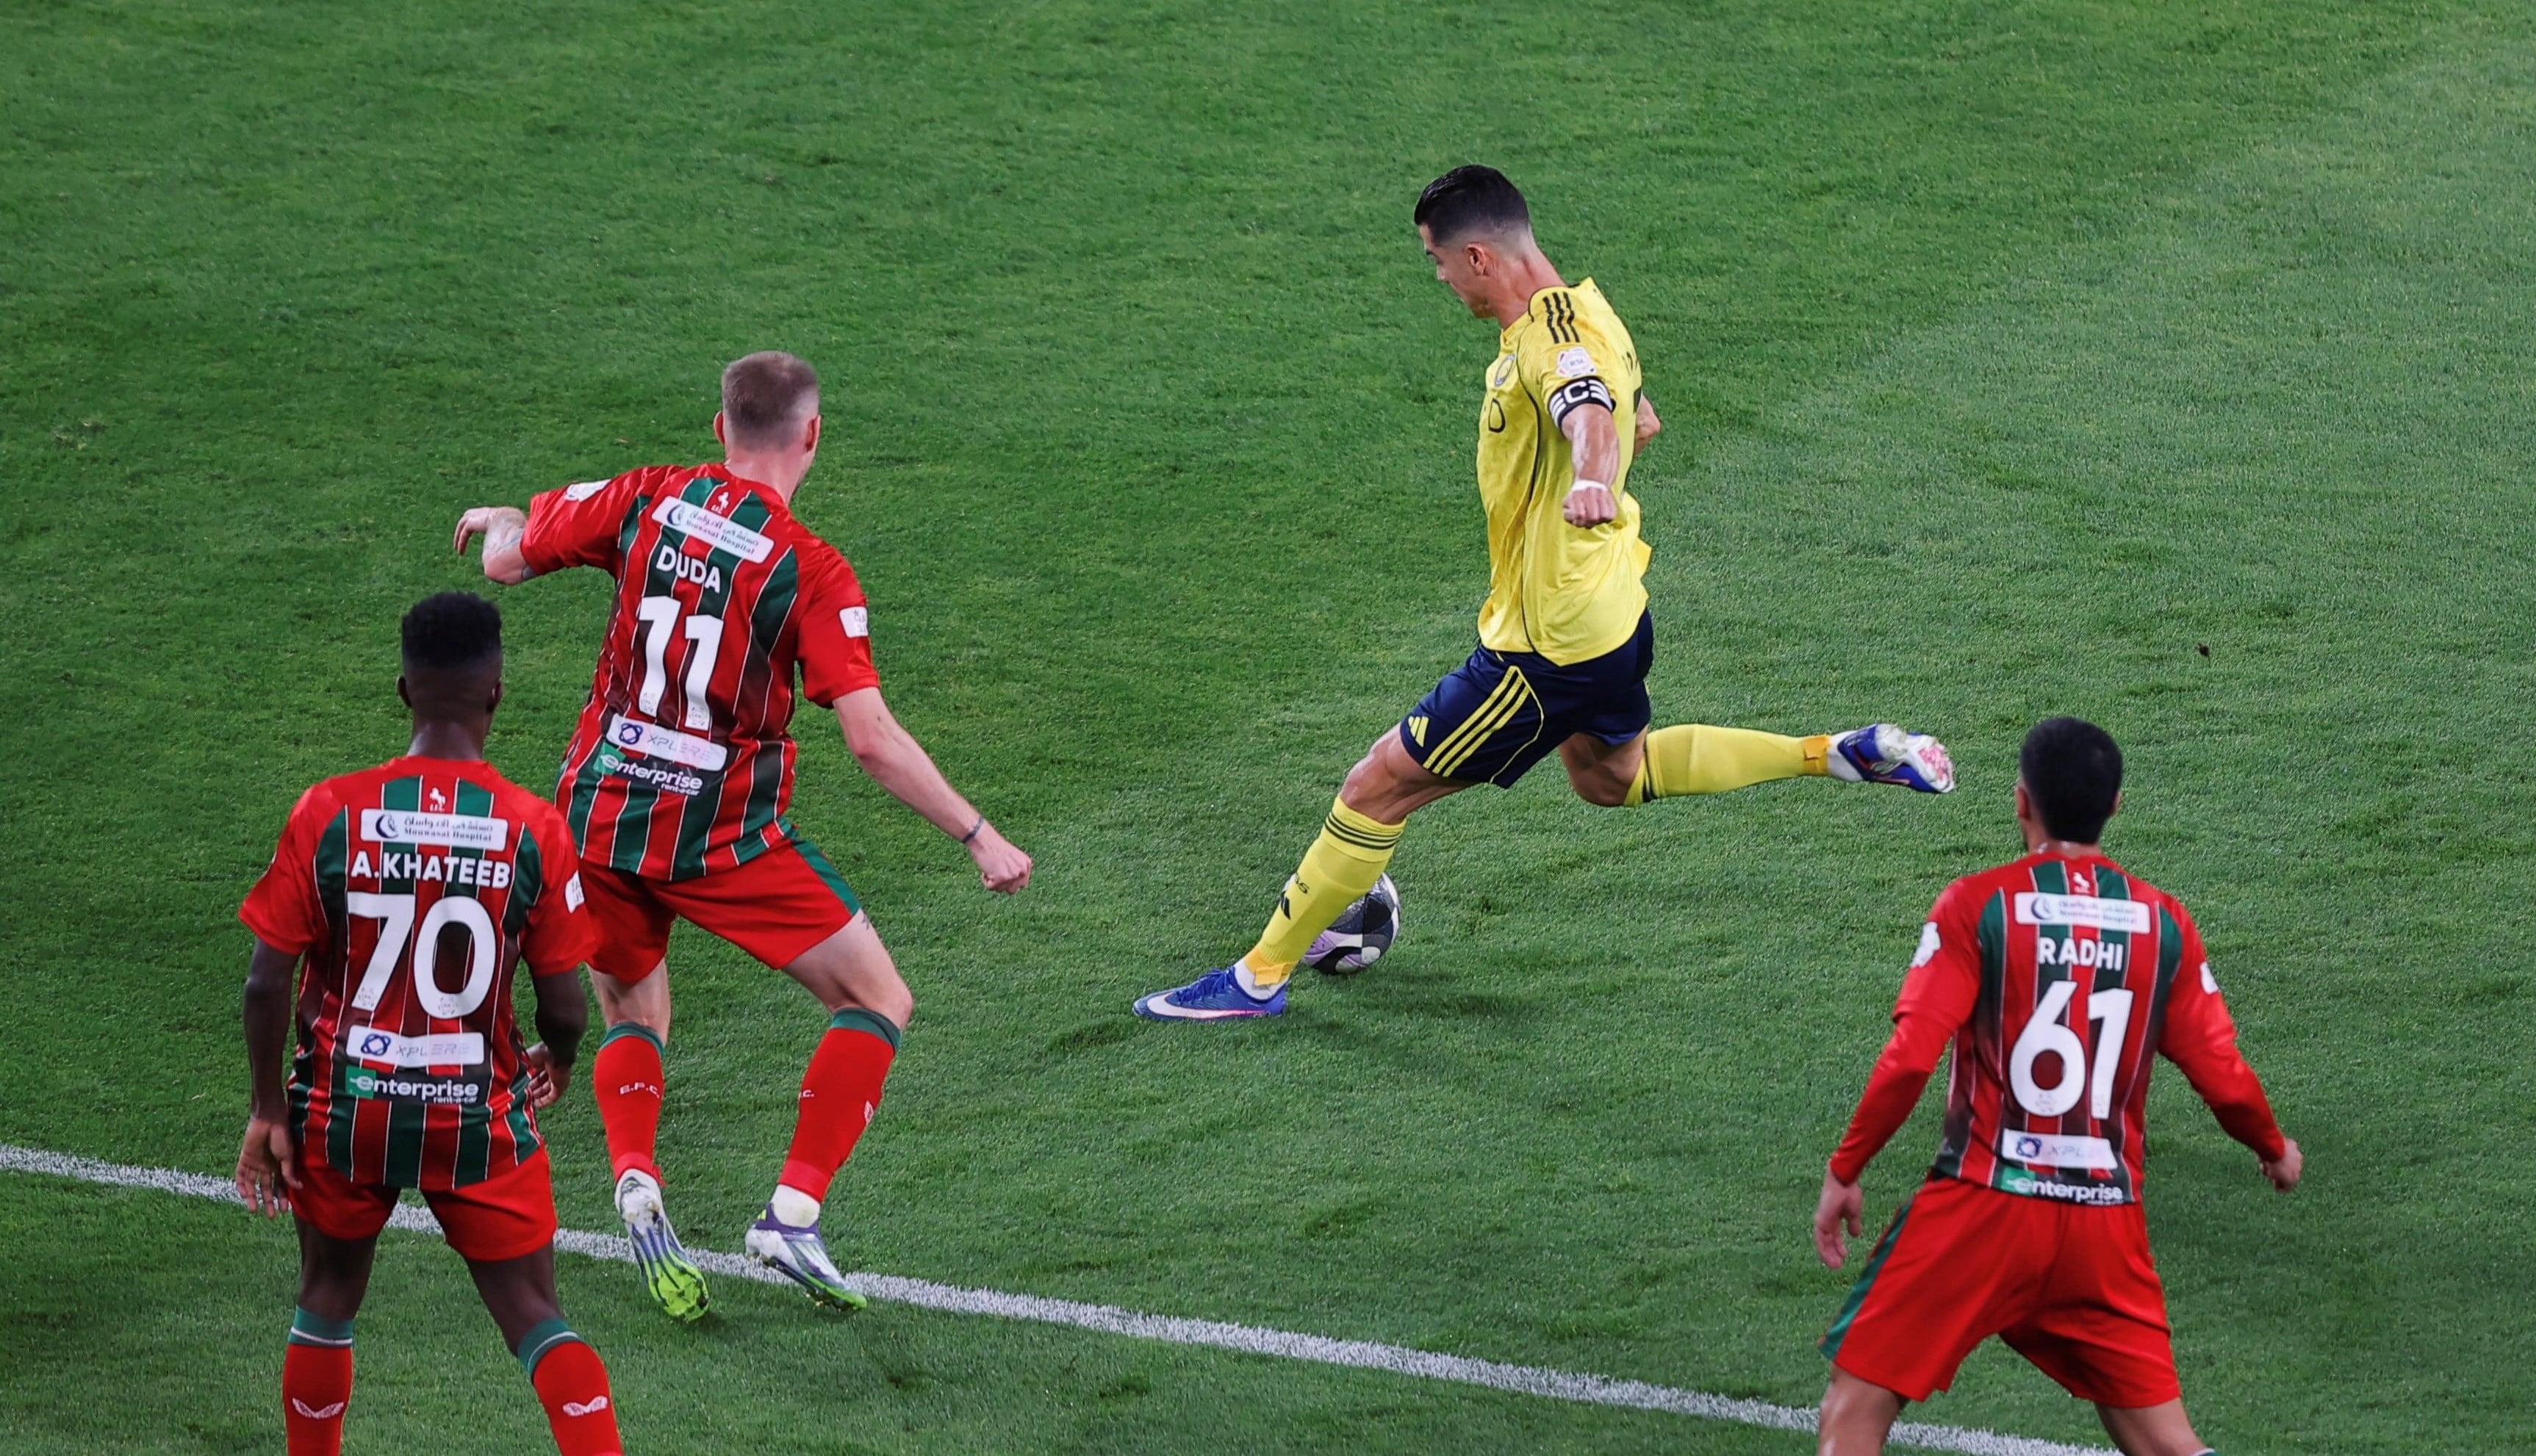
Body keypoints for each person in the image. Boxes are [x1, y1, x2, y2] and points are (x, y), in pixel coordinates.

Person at [1135, 165, 1955, 1021]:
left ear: (1480, 256)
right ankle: (1834, 751)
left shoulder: (1550, 341)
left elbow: (1589, 410)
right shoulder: (1587, 309)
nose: (1440, 278)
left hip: (1541, 649)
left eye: (1437, 261)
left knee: (1375, 786)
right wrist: (1621, 428)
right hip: (1612, 617)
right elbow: (1624, 402)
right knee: (1610, 777)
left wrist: (1594, 474)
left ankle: (1257, 977)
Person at [452, 350, 1031, 1319]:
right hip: (721, 837)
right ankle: (792, 1211)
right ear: (811, 435)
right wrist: (977, 833)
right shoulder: (810, 569)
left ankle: (637, 1177)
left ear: (718, 428)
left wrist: (505, 523)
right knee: (875, 995)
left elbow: (507, 560)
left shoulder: (647, 495)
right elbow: (870, 738)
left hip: (598, 813)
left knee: (635, 1013)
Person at [1811, 717, 2304, 1456]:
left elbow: (1911, 1058)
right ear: (2114, 808)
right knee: (2166, 1441)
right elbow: (2221, 1074)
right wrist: (2272, 1146)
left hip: (1979, 1206)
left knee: (1853, 1414)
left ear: (2019, 802)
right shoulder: (2161, 921)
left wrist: (1845, 1167)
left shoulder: (1978, 904)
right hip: (2102, 1222)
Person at [234, 591, 622, 1456]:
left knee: (328, 1294)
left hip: (345, 1105)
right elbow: (565, 1002)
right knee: (536, 1316)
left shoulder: (329, 809)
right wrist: (552, 1056)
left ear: (403, 690)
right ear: (496, 694)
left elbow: (267, 980)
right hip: (473, 1116)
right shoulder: (532, 828)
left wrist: (268, 1111)